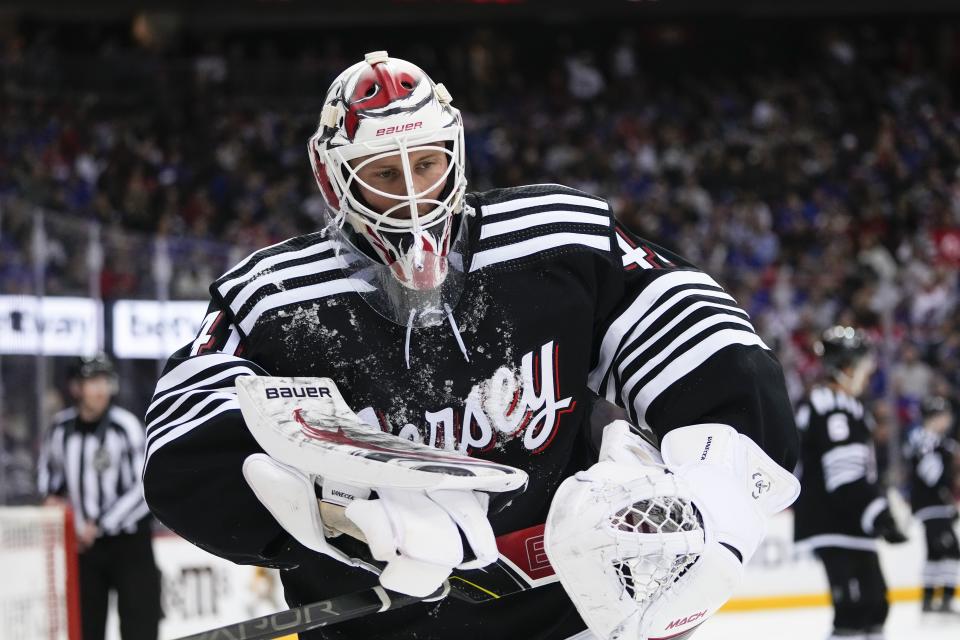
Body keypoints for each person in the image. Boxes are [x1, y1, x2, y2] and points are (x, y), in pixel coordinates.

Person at [142, 51, 799, 639]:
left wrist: (720, 464)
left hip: (563, 619)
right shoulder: (270, 297)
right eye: (384, 174)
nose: (413, 196)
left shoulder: (555, 238)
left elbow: (687, 319)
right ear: (333, 177)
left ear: (455, 155)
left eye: (426, 164)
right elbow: (183, 440)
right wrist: (338, 519)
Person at [37, 353, 162, 640]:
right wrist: (54, 503)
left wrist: (101, 523)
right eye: (92, 381)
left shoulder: (125, 426)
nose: (101, 389)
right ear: (75, 387)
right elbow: (50, 479)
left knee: (140, 626)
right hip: (85, 550)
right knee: (86, 629)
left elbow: (143, 487)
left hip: (130, 546)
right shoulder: (60, 430)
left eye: (104, 380)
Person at [793, 326, 908, 640]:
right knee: (854, 611)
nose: (868, 374)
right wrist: (879, 514)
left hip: (850, 521)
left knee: (874, 606)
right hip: (835, 520)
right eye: (863, 367)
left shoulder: (844, 406)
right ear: (846, 368)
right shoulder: (831, 407)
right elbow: (844, 477)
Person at [906, 395, 960, 614]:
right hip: (931, 505)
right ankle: (946, 598)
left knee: (935, 553)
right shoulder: (924, 439)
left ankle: (928, 599)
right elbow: (932, 475)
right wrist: (952, 478)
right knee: (952, 549)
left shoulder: (939, 441)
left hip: (936, 505)